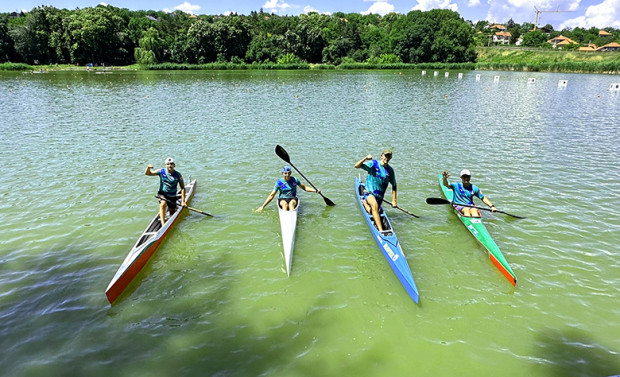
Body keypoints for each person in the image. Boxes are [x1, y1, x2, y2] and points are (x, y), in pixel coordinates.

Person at [354, 149, 397, 233]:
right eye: (385, 156)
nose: (387, 158)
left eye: (389, 156)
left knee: (373, 211)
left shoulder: (390, 171)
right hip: (368, 192)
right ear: (382, 156)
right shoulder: (373, 164)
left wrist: (394, 200)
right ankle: (381, 232)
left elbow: (394, 185)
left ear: (391, 158)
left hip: (379, 197)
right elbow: (356, 166)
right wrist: (366, 158)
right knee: (374, 205)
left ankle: (364, 203)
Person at [256, 166, 320, 212]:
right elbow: (272, 195)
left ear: (291, 173)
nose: (287, 175)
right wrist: (263, 206)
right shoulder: (279, 183)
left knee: (291, 204)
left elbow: (305, 188)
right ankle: (285, 219)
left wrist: (315, 190)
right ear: (282, 173)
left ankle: (291, 218)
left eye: (289, 173)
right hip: (282, 199)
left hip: (293, 198)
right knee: (285, 204)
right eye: (285, 173)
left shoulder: (295, 180)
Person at [145, 157, 186, 226]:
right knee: (163, 204)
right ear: (165, 165)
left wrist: (183, 201)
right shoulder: (161, 171)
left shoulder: (178, 175)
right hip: (162, 193)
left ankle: (172, 209)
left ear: (174, 165)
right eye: (168, 164)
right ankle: (163, 224)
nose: (170, 166)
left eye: (171, 164)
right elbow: (148, 173)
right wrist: (148, 168)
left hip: (172, 195)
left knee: (172, 211)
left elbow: (182, 188)